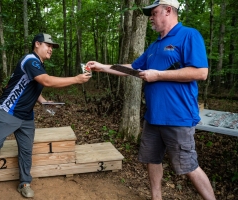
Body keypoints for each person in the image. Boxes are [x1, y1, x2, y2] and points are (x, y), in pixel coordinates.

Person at [87, 0, 216, 199]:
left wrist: (158, 75)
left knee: (189, 165)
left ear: (168, 11)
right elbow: (133, 68)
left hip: (178, 117)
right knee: (152, 159)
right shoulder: (155, 45)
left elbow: (201, 72)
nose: (151, 18)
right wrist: (102, 66)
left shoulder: (189, 35)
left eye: (154, 13)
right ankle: (156, 197)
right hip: (153, 117)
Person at [0, 33, 91, 198]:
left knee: (26, 151)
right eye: (47, 45)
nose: (50, 49)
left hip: (27, 116)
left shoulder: (38, 65)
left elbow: (31, 87)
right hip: (9, 111)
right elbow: (47, 81)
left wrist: (43, 102)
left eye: (52, 47)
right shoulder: (30, 60)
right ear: (37, 44)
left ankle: (25, 183)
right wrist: (77, 79)